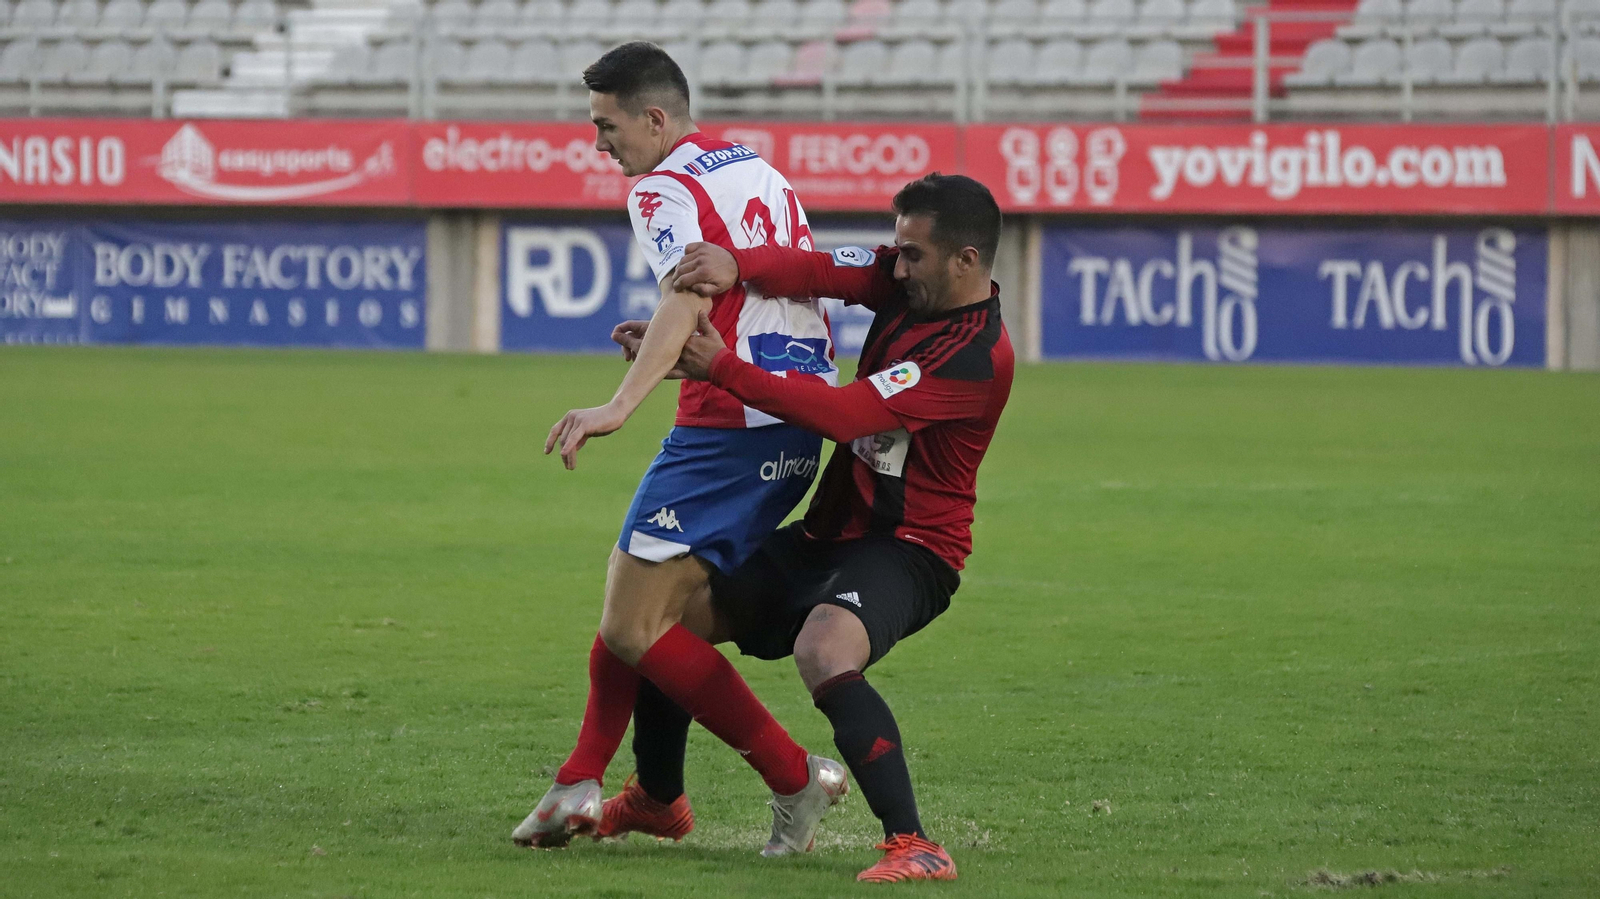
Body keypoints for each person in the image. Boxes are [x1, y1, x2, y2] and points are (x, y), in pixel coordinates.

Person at [607, 174, 1014, 883]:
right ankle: (658, 796)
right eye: (898, 247)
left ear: (966, 260)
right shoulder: (902, 278)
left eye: (914, 254)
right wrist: (739, 264)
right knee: (663, 621)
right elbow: (819, 269)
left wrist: (720, 367)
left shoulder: (974, 356)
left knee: (824, 648)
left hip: (913, 549)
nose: (897, 261)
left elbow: (846, 415)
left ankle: (916, 843)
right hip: (830, 533)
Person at [512, 41, 848, 856]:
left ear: (654, 118)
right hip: (790, 415)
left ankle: (793, 775)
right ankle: (586, 782)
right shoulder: (754, 168)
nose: (600, 145)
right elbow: (752, 307)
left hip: (730, 430)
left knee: (633, 622)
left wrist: (618, 405)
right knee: (649, 607)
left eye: (606, 126)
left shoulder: (661, 186)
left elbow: (688, 291)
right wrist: (663, 363)